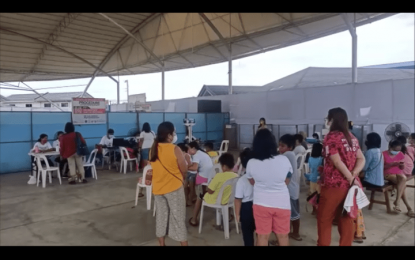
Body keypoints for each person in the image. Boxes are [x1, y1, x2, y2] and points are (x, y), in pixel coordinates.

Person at [317, 107, 365, 247]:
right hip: (350, 187)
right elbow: (361, 159)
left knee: (324, 220)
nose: (326, 121)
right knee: (346, 218)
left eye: (327, 118)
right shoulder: (352, 138)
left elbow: (336, 161)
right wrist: (354, 175)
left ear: (332, 120)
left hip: (334, 185)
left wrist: (350, 177)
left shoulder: (331, 137)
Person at [246, 129, 293, 246]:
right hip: (282, 204)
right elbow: (288, 179)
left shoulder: (251, 162)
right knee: (283, 236)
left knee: (262, 236)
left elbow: (252, 181)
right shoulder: (284, 160)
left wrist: (264, 185)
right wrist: (277, 185)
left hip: (261, 203)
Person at [149, 121, 188, 246]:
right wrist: (184, 179)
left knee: (161, 217)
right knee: (178, 218)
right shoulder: (175, 149)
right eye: (173, 132)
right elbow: (184, 168)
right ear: (169, 135)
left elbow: (152, 168)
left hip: (158, 189)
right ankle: (184, 244)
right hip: (174, 188)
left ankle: (162, 244)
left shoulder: (153, 149)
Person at [188, 153, 238, 227]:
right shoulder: (236, 176)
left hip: (215, 200)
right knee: (227, 193)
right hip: (229, 201)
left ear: (223, 166)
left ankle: (194, 220)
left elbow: (210, 191)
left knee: (199, 197)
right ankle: (229, 216)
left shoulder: (219, 176)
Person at [278, 134, 302, 242]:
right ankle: (295, 233)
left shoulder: (287, 155)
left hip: (289, 190)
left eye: (282, 146)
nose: (280, 148)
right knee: (294, 212)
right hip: (293, 189)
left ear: (290, 147)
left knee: (289, 214)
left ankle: (288, 236)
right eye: (279, 146)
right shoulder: (291, 154)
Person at [383, 140, 414, 217]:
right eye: (395, 150)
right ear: (390, 147)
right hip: (387, 174)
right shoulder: (383, 154)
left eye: (398, 150)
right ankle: (408, 208)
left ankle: (397, 202)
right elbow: (381, 167)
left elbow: (401, 167)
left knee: (403, 179)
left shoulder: (400, 154)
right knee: (402, 185)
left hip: (398, 173)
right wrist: (392, 164)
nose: (397, 152)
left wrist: (402, 166)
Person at [234, 148, 255, 246]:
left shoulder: (241, 180)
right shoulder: (261, 177)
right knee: (262, 236)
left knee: (248, 236)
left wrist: (237, 215)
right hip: (260, 206)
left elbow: (238, 199)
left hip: (246, 209)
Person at [307, 143, 324, 215]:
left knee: (312, 194)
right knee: (318, 196)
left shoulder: (310, 158)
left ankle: (314, 210)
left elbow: (309, 167)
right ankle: (318, 210)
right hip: (319, 180)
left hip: (312, 178)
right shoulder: (321, 159)